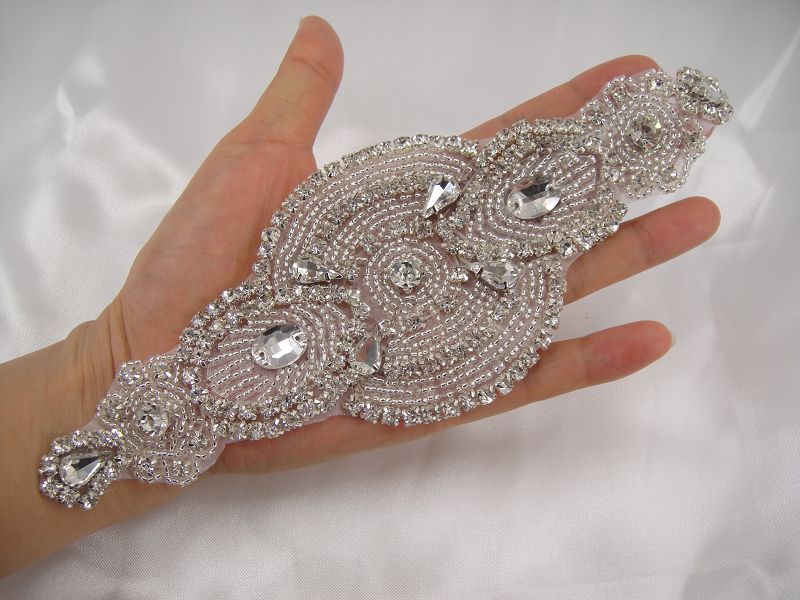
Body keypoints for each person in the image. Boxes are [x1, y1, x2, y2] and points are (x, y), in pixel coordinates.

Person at [0, 16, 720, 577]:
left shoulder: (519, 293)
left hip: (355, 339)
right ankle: (115, 441)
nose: (536, 197)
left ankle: (116, 440)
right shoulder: (429, 190)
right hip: (309, 306)